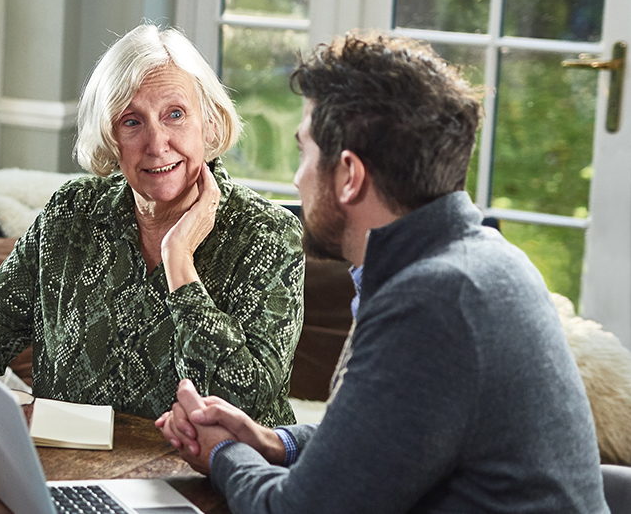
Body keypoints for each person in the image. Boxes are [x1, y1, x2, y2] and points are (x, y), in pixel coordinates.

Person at [156, 32, 608, 513]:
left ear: (350, 176)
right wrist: (272, 442)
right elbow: (386, 432)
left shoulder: (434, 302)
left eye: (304, 152)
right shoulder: (484, 262)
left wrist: (224, 452)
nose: (297, 178)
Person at [0, 24, 304, 427]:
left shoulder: (266, 233)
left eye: (175, 114)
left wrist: (179, 261)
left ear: (210, 123)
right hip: (67, 473)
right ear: (109, 137)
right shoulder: (72, 213)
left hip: (209, 480)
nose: (156, 143)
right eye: (132, 121)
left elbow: (248, 399)